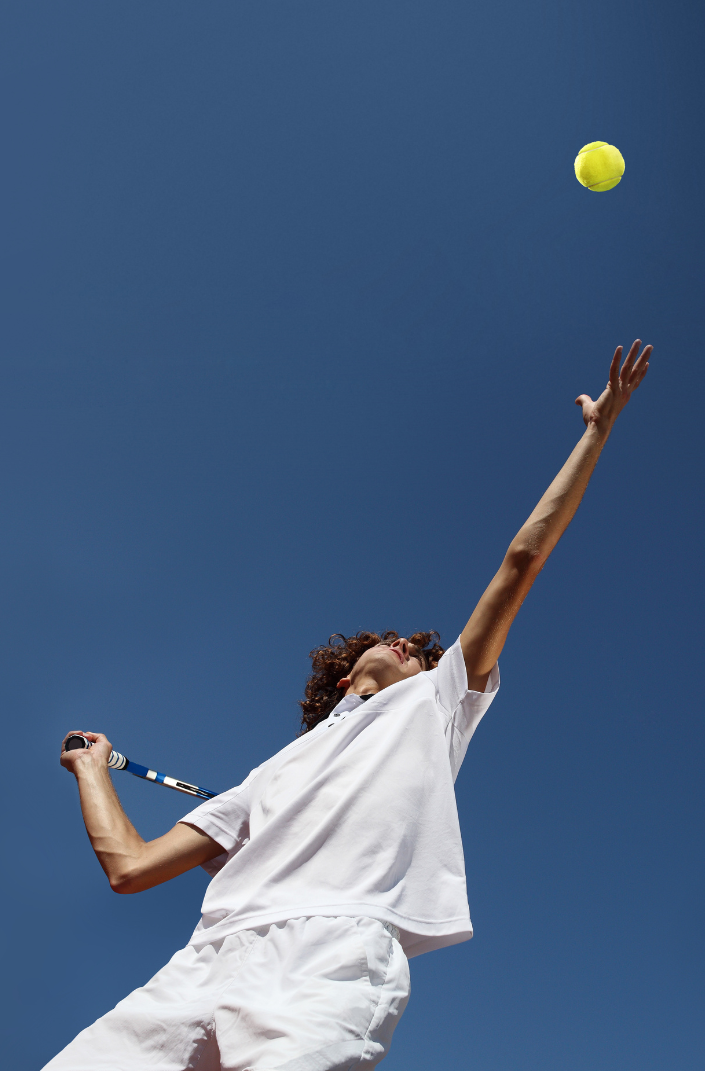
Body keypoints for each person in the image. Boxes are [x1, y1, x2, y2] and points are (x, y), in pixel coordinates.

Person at [47, 341, 651, 1071]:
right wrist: (91, 768)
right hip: (199, 963)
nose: (410, 644)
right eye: (392, 639)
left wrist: (595, 434)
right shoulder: (263, 778)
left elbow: (521, 558)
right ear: (341, 676)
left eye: (420, 648)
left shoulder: (437, 701)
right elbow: (131, 867)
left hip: (328, 960)